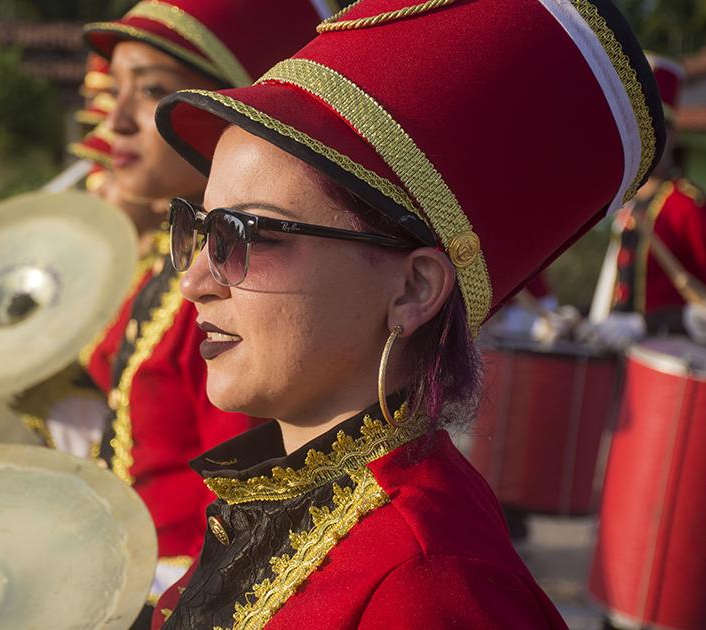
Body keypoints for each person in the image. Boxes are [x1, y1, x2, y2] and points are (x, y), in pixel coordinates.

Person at [150, 0, 665, 626]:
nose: (195, 282)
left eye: (245, 235)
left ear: (414, 289)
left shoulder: (428, 584)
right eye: (200, 229)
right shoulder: (283, 501)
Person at [74, 0, 331, 611]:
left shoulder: (243, 292)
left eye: (154, 91)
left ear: (226, 109)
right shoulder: (165, 274)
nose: (119, 120)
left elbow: (242, 511)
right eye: (117, 91)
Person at [587, 52, 706, 347]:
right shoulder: (625, 203)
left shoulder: (685, 205)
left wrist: (649, 323)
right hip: (619, 353)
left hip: (669, 358)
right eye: (642, 126)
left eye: (659, 126)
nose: (650, 138)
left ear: (674, 134)